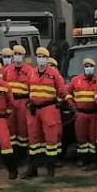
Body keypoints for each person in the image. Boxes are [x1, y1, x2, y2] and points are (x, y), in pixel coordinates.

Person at [25, 46, 68, 177]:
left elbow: (62, 90)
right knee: (33, 139)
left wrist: (63, 101)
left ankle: (51, 168)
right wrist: (30, 102)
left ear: (47, 58)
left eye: (43, 57)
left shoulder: (54, 74)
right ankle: (32, 169)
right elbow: (29, 89)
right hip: (34, 110)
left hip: (49, 109)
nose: (41, 59)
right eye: (39, 56)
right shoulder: (32, 72)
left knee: (51, 139)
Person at [1, 45, 34, 158]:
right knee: (10, 127)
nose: (17, 57)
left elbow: (32, 87)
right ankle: (13, 153)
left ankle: (23, 154)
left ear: (23, 56)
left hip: (23, 101)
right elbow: (3, 86)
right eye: (15, 54)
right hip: (11, 101)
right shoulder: (7, 70)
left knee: (23, 128)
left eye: (19, 54)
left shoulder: (30, 70)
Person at [67, 58, 97, 168]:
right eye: (86, 66)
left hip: (94, 113)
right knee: (81, 137)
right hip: (80, 114)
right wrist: (72, 105)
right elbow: (67, 93)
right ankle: (82, 158)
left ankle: (94, 159)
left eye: (91, 66)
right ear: (83, 67)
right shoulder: (76, 80)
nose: (89, 68)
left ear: (94, 68)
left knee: (93, 137)